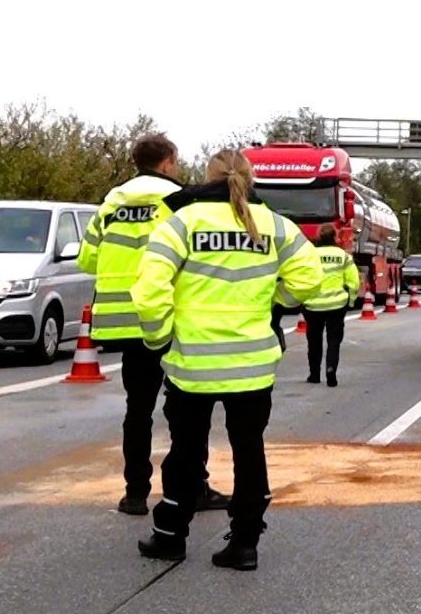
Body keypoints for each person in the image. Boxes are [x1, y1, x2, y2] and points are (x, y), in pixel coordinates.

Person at [131, 149, 321, 570]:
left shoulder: (182, 222)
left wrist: (159, 336)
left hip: (192, 365)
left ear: (208, 177)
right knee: (249, 451)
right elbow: (309, 278)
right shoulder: (274, 224)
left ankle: (170, 537)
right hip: (253, 366)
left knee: (185, 452)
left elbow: (148, 290)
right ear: (248, 179)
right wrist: (275, 304)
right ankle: (245, 544)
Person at [77, 134, 229, 517]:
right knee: (186, 409)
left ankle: (135, 494)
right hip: (170, 318)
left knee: (138, 410)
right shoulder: (180, 200)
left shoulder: (111, 202)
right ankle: (193, 487)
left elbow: (87, 261)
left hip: (123, 323)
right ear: (168, 161)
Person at [302, 226, 360, 386]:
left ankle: (314, 374)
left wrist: (301, 299)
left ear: (319, 237)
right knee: (334, 340)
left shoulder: (310, 255)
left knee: (314, 340)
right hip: (336, 304)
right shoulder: (343, 256)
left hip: (313, 305)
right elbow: (353, 281)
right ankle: (331, 369)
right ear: (335, 237)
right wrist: (352, 300)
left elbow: (301, 277)